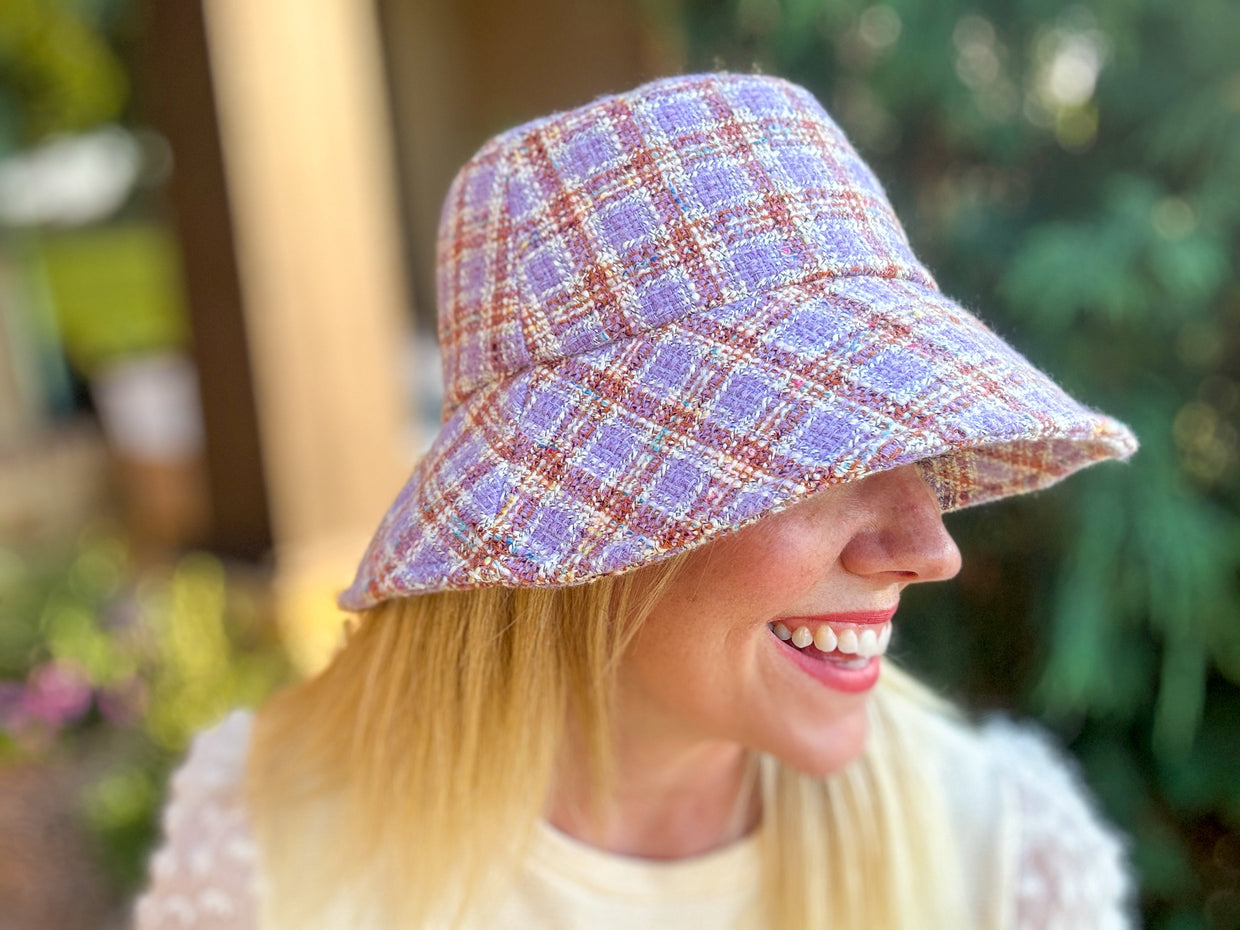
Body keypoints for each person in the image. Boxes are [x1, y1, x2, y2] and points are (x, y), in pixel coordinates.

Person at [135, 73, 1139, 930]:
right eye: (820, 457)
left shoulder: (999, 860)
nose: (930, 548)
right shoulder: (275, 863)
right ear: (569, 521)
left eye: (913, 447)